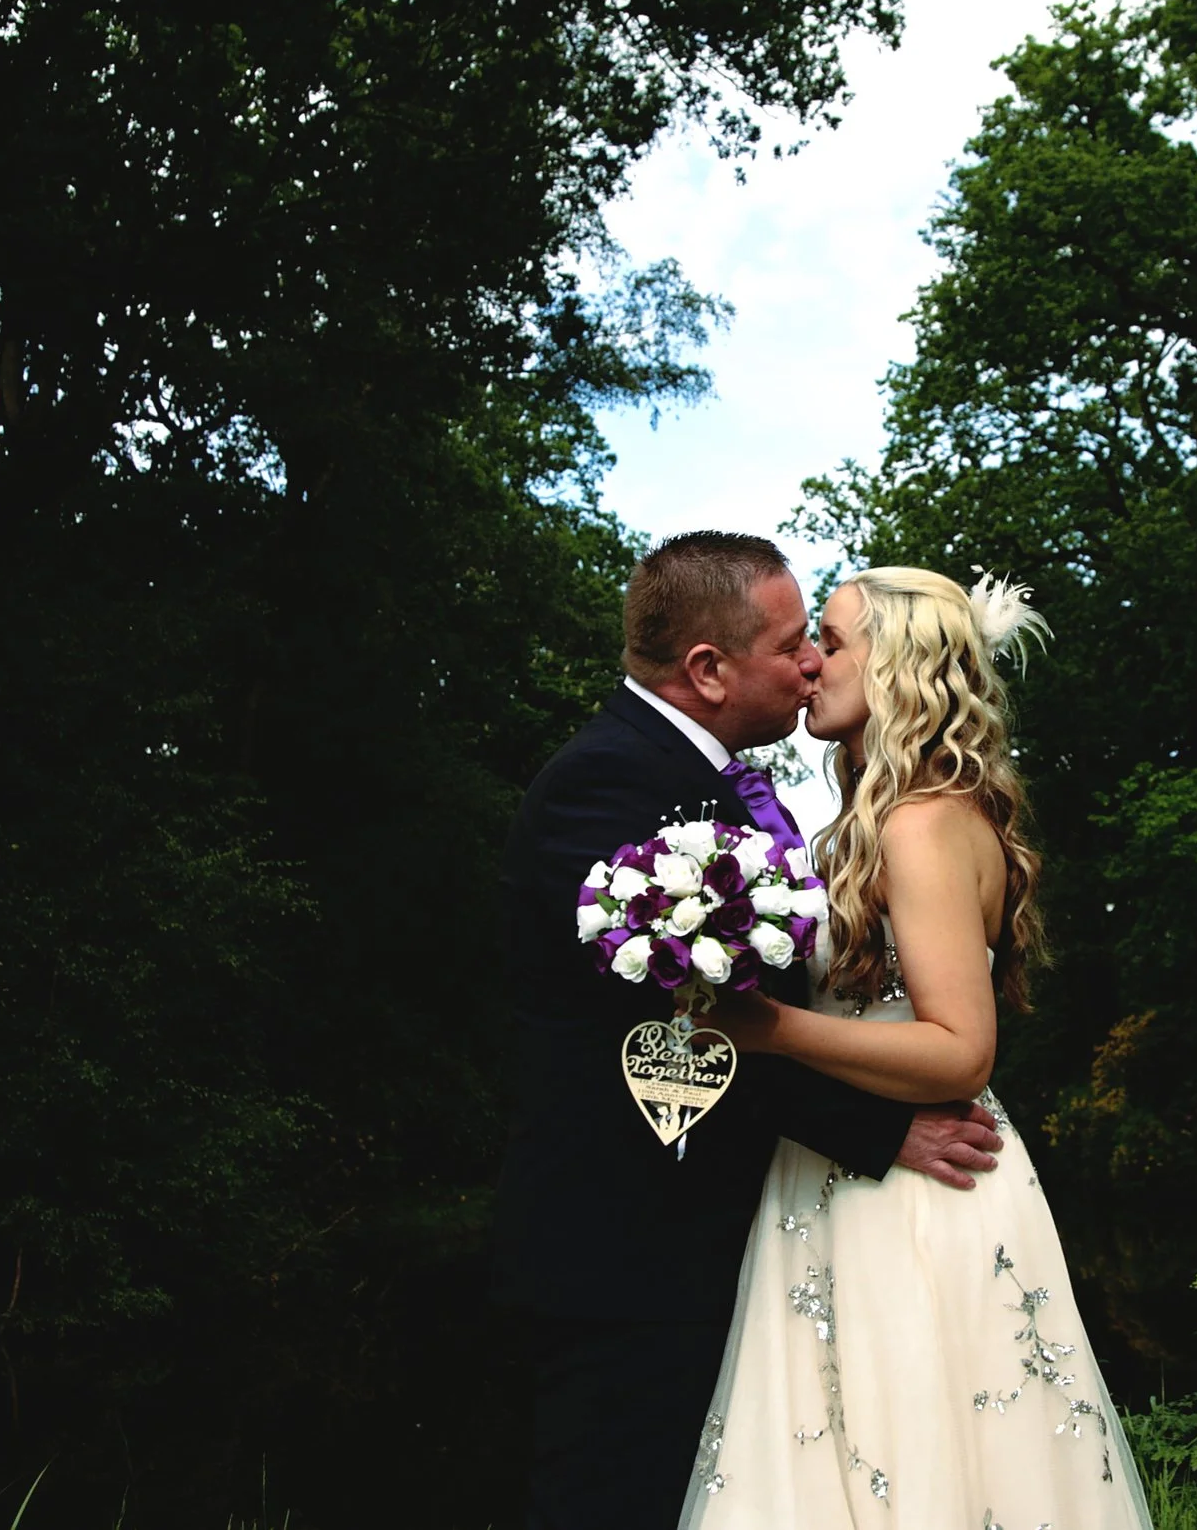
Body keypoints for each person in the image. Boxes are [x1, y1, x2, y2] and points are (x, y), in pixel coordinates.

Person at [493, 533, 1007, 1530]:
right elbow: (668, 1016)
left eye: (825, 641)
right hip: (627, 1239)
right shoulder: (606, 782)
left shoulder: (756, 789)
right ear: (708, 669)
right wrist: (875, 1128)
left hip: (741, 1222)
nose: (810, 661)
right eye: (791, 643)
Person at [679, 565, 1155, 1530]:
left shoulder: (923, 822)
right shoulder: (879, 821)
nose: (811, 664)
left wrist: (763, 1028)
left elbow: (961, 1050)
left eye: (835, 641)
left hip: (910, 1197)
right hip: (841, 1178)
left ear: (900, 667)